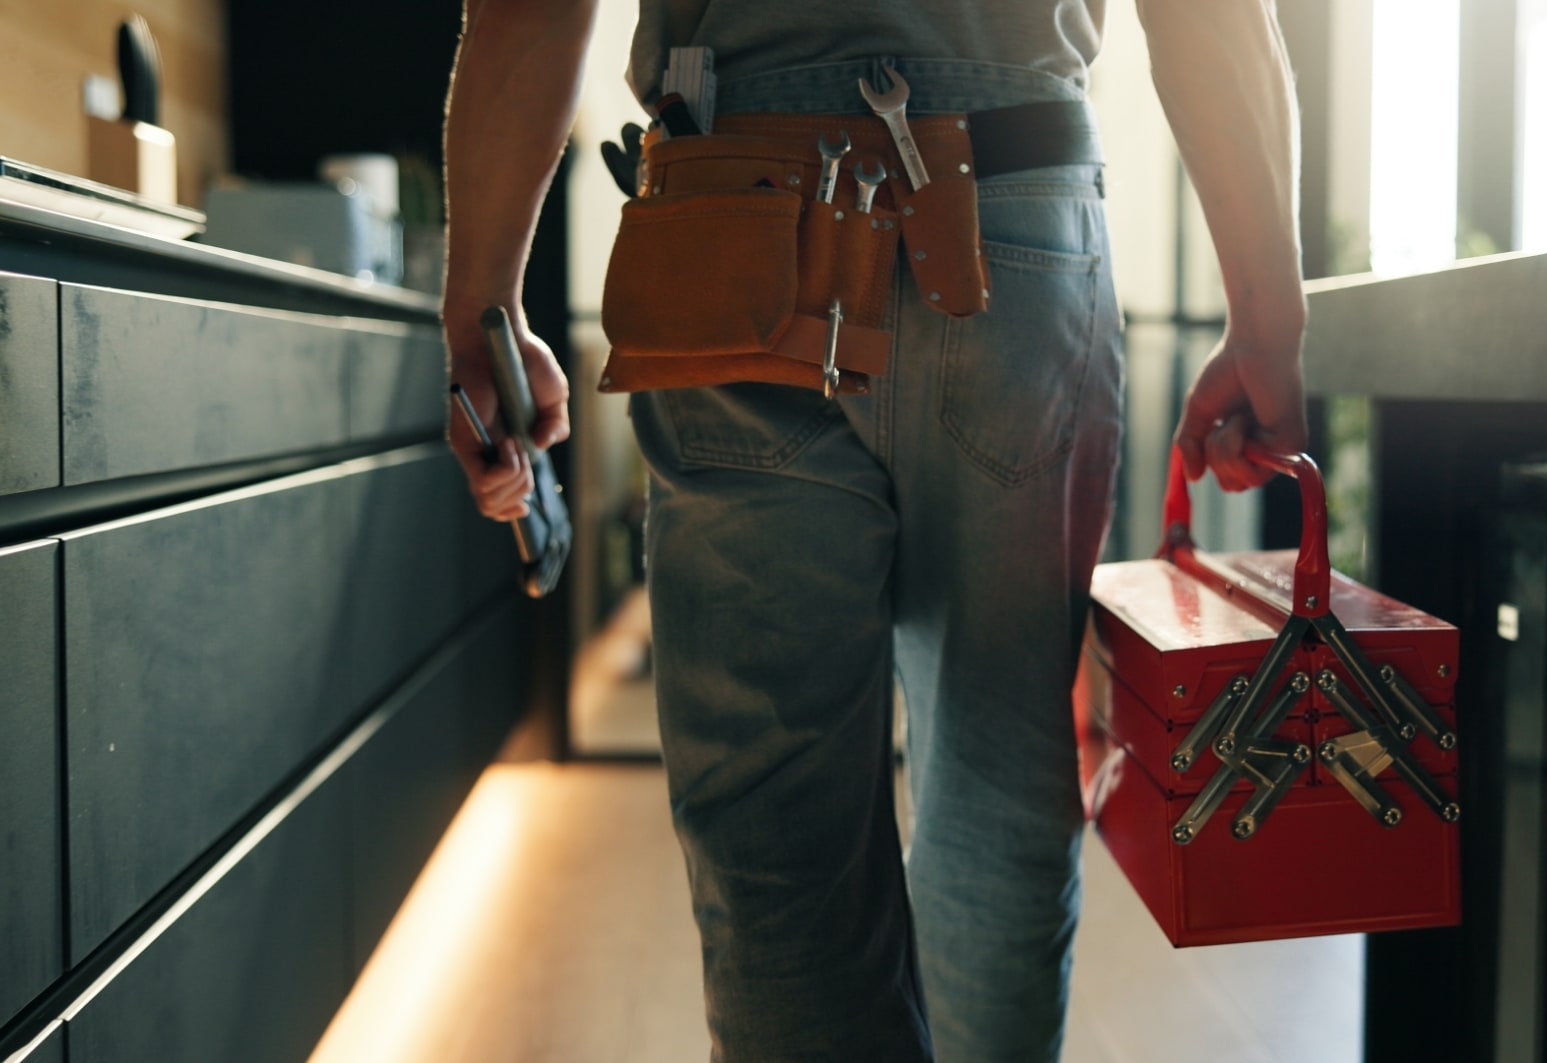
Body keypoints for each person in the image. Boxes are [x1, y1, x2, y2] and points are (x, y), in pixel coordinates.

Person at [441, 1, 1306, 1058]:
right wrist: (1267, 314)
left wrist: (483, 306)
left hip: (731, 219)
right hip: (1017, 221)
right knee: (1000, 793)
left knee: (779, 844)